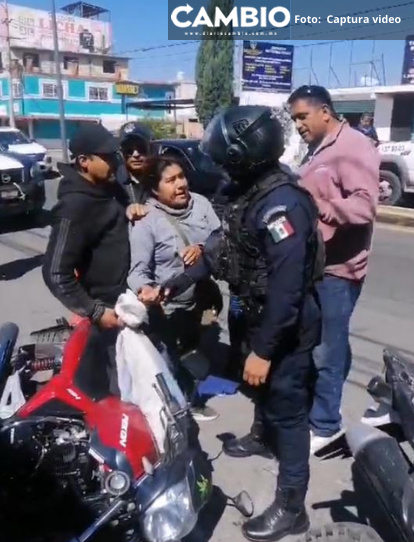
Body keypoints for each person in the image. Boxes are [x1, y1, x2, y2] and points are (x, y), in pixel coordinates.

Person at [163, 105, 323, 541]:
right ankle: (260, 434)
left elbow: (288, 290)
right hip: (256, 315)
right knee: (260, 391)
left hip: (283, 328)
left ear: (243, 152)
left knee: (288, 413)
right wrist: (178, 283)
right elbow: (222, 248)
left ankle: (292, 508)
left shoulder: (280, 205)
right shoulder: (245, 190)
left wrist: (265, 351)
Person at [289, 85, 380, 454]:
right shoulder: (320, 148)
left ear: (324, 111)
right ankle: (324, 407)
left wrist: (315, 203)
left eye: (302, 117)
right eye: (294, 119)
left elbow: (363, 210)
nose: (297, 125)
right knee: (331, 344)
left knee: (328, 349)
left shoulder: (354, 147)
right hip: (317, 267)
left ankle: (326, 425)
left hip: (339, 271)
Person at [127, 155, 221, 421]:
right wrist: (146, 289)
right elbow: (137, 271)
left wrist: (203, 248)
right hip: (167, 309)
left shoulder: (201, 204)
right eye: (170, 180)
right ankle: (169, 414)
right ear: (155, 189)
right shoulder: (147, 220)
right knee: (167, 360)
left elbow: (219, 236)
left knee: (192, 351)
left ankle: (189, 400)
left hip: (200, 299)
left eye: (182, 177)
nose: (180, 184)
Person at [41, 123, 131, 397]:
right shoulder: (74, 207)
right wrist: (95, 312)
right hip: (106, 313)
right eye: (107, 157)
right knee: (112, 394)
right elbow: (56, 272)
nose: (116, 161)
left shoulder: (110, 188)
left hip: (130, 303)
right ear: (83, 161)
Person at [118, 121, 155, 205]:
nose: (136, 154)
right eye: (128, 150)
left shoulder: (160, 178)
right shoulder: (115, 183)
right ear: (121, 152)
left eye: (141, 148)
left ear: (150, 149)